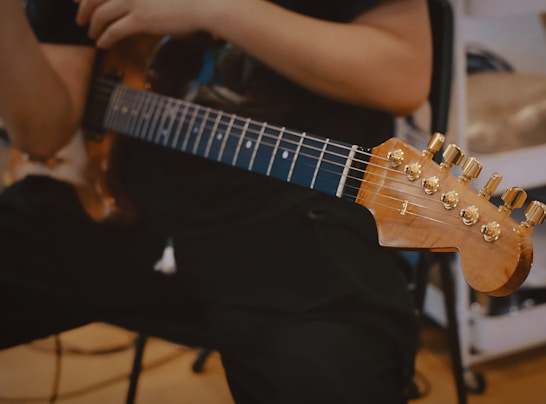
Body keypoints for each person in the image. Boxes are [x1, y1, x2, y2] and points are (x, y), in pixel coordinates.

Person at [0, 0, 432, 402]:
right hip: (119, 205)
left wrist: (215, 8)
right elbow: (43, 135)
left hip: (298, 221)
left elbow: (402, 76)